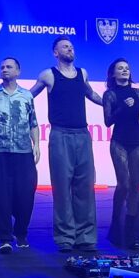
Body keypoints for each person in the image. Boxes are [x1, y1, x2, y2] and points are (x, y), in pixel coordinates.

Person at [30, 36, 102, 253]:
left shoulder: (83, 73)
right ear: (56, 52)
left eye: (71, 46)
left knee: (85, 188)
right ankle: (65, 238)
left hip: (82, 135)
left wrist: (113, 102)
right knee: (62, 188)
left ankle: (86, 237)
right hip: (60, 135)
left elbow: (92, 94)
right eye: (65, 47)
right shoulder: (48, 75)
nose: (70, 49)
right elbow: (28, 96)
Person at [0, 56, 40, 254]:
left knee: (26, 195)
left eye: (9, 67)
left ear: (18, 71)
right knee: (1, 196)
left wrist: (37, 144)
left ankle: (21, 232)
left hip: (23, 152)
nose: (4, 69)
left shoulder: (26, 96)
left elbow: (33, 122)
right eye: (2, 67)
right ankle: (4, 238)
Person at [102, 58, 139, 251]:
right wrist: (122, 107)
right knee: (124, 184)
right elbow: (107, 121)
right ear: (113, 73)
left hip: (136, 142)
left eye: (127, 68)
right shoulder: (110, 94)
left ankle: (133, 233)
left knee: (136, 186)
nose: (124, 70)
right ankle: (117, 229)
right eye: (120, 68)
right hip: (119, 142)